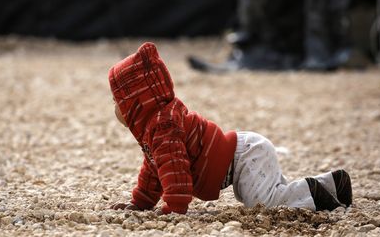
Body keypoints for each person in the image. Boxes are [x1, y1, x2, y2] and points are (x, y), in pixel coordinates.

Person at [109, 42, 352, 214]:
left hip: (245, 158)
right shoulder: (155, 126)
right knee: (277, 194)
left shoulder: (163, 125)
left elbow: (174, 168)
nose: (115, 107)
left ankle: (322, 190)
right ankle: (329, 186)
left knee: (265, 203)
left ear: (137, 101)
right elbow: (154, 169)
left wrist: (174, 207)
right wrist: (140, 202)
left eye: (118, 101)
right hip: (245, 153)